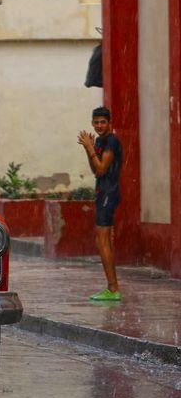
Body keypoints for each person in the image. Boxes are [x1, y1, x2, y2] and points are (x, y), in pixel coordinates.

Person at [77, 106, 123, 301]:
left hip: (109, 193)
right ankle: (111, 287)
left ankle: (113, 289)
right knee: (102, 240)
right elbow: (95, 170)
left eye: (103, 122)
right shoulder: (99, 141)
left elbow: (103, 168)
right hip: (102, 192)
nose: (99, 126)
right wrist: (89, 149)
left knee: (103, 240)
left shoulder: (111, 140)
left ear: (109, 123)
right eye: (96, 122)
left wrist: (89, 148)